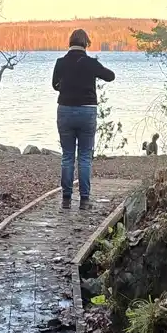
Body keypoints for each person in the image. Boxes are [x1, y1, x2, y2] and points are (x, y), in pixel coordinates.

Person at [51, 28, 115, 210]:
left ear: (70, 42)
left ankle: (66, 198)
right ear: (86, 44)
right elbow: (110, 76)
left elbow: (55, 85)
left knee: (67, 156)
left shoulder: (60, 62)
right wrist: (94, 71)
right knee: (85, 156)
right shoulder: (90, 63)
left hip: (65, 110)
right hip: (87, 111)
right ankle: (85, 199)